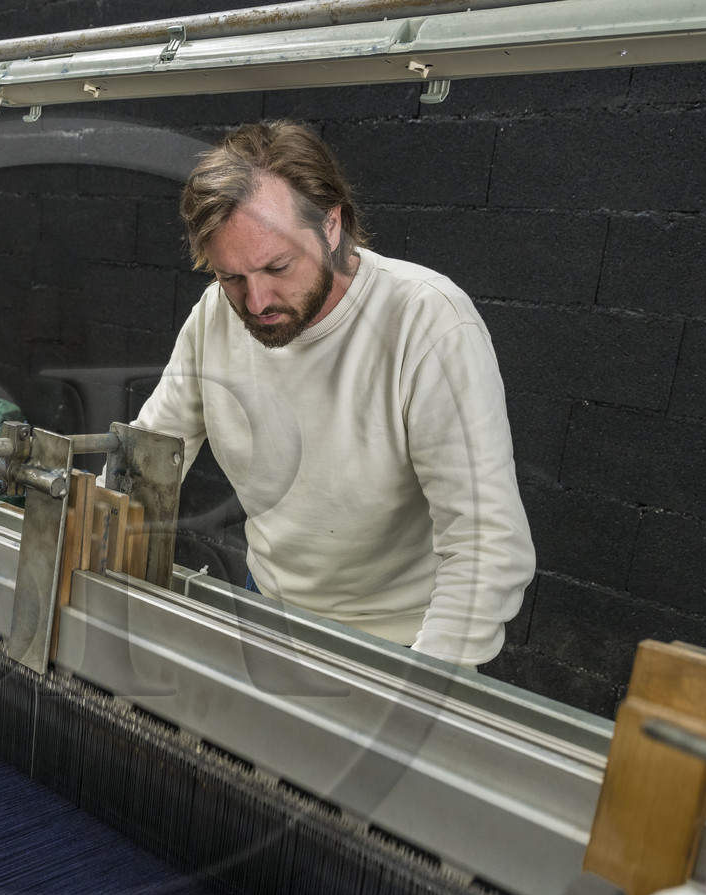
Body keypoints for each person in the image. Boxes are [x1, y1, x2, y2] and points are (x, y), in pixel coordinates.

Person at [131, 120, 534, 668]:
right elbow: (151, 453)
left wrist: (418, 689)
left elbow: (486, 543)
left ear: (331, 225)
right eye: (231, 278)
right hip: (268, 608)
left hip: (399, 643)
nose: (256, 302)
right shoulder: (213, 317)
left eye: (277, 266)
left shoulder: (425, 321)